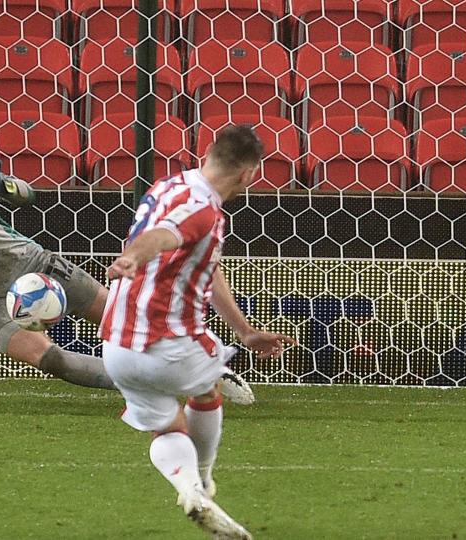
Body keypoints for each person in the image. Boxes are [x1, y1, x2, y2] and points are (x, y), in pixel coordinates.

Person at [0, 105, 257, 402]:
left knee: (122, 316)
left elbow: (27, 196)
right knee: (50, 359)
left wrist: (0, 185)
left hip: (30, 263)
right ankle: (155, 385)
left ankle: (208, 366)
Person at [100, 124, 296, 539]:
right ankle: (204, 481)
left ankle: (188, 488)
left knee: (168, 427)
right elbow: (163, 236)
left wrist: (244, 331)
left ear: (208, 151)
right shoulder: (203, 210)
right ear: (248, 174)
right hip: (168, 344)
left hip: (117, 346)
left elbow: (203, 264)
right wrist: (133, 257)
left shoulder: (167, 185)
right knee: (208, 391)